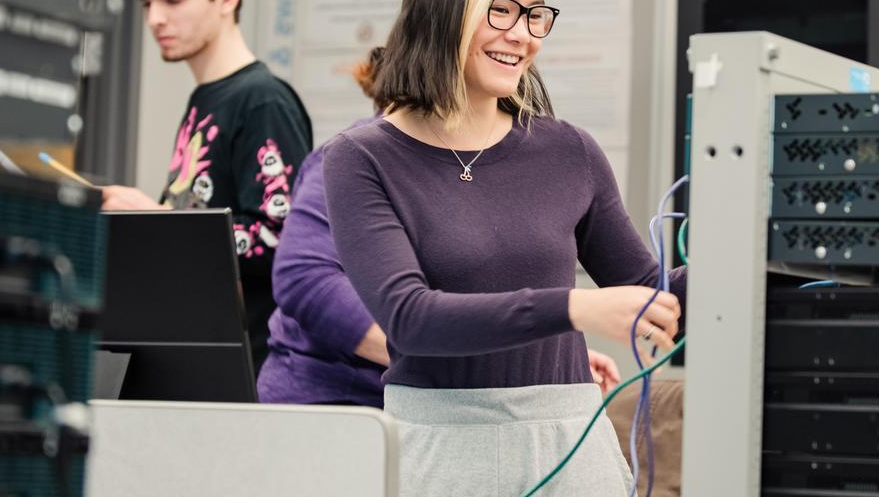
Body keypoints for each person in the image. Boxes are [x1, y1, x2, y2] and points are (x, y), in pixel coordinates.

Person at [322, 0, 684, 496]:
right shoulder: (361, 159)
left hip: (571, 448)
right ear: (444, 9)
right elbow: (410, 320)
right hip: (438, 452)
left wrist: (758, 262)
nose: (522, 34)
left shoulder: (570, 150)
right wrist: (578, 309)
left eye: (536, 13)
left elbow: (647, 286)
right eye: (501, 9)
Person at [259, 49, 623, 407]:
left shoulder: (481, 162)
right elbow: (306, 278)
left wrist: (533, 358)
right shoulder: (360, 157)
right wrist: (462, 362)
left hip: (430, 404)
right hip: (333, 400)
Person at [101, 0, 313, 370]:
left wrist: (158, 220)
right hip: (201, 361)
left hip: (251, 373)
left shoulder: (262, 101)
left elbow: (280, 236)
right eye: (146, 3)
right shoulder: (205, 100)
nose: (155, 18)